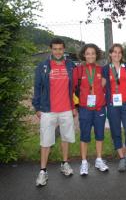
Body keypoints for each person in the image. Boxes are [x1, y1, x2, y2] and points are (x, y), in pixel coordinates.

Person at [32, 38, 76, 186]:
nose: (58, 51)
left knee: (65, 138)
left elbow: (73, 88)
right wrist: (37, 107)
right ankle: (43, 171)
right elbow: (37, 87)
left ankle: (64, 163)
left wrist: (74, 105)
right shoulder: (43, 66)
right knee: (46, 141)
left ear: (64, 50)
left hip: (66, 110)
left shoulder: (70, 65)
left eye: (60, 49)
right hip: (47, 110)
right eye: (55, 48)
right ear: (51, 49)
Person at [73, 43, 109, 175]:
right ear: (84, 55)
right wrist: (74, 106)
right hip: (85, 108)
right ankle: (84, 162)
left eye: (93, 53)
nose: (90, 56)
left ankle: (99, 159)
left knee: (100, 135)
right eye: (88, 53)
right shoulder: (78, 70)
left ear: (97, 54)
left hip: (99, 108)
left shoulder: (101, 69)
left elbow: (104, 86)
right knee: (85, 136)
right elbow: (72, 89)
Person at [103, 44, 126, 172]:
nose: (117, 54)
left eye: (119, 52)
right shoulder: (105, 69)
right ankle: (122, 159)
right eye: (114, 52)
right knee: (116, 132)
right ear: (110, 54)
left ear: (122, 54)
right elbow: (101, 84)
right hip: (112, 105)